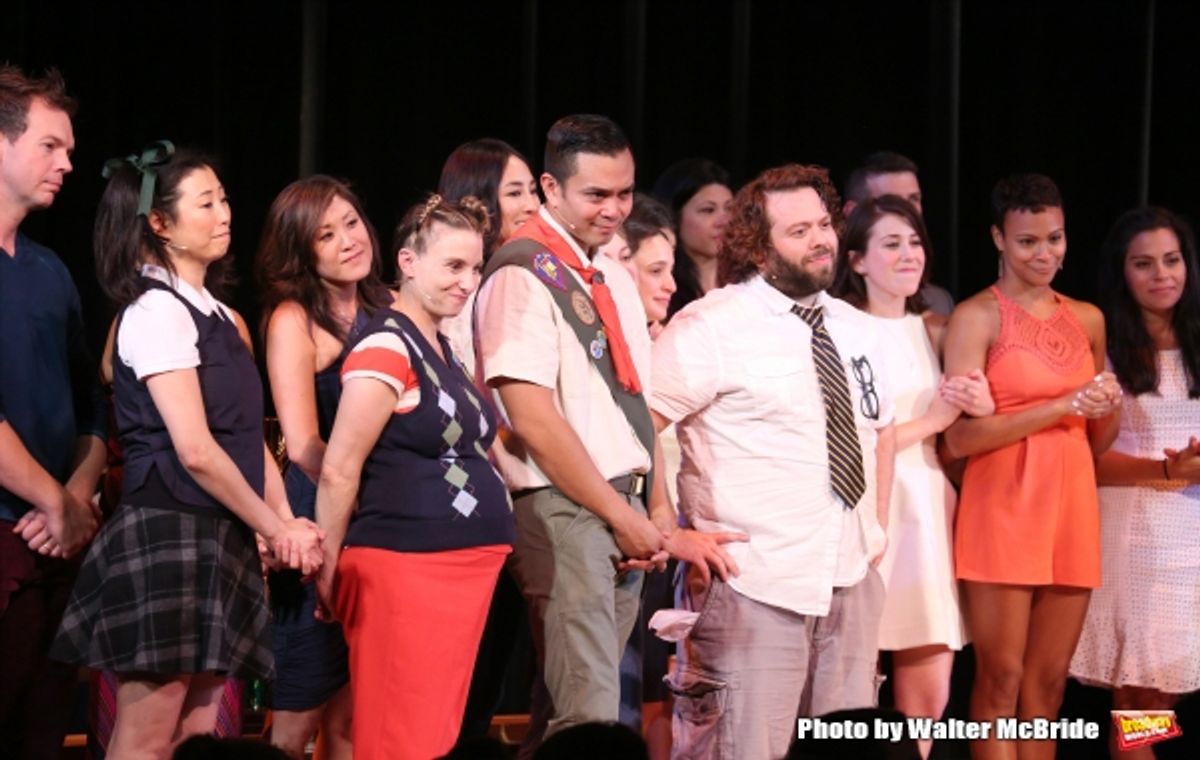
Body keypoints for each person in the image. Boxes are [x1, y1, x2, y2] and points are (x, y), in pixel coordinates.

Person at [49, 142, 324, 760]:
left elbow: (246, 440)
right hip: (170, 533)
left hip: (222, 534)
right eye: (206, 203)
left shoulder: (221, 316)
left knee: (202, 732)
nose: (224, 213)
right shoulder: (155, 310)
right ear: (160, 223)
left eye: (223, 199)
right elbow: (195, 449)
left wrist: (283, 523)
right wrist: (274, 528)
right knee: (149, 735)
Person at [475, 114, 737, 756]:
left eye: (624, 193)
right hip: (563, 506)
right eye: (596, 194)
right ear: (550, 188)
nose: (615, 209)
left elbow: (635, 402)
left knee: (569, 712)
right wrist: (621, 514)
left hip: (623, 503)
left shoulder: (613, 274)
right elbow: (532, 418)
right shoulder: (521, 272)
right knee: (587, 713)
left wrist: (656, 508)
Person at [651, 163, 895, 760]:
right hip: (752, 585)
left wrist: (876, 527)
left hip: (849, 580)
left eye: (823, 225)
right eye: (798, 232)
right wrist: (668, 531)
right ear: (759, 249)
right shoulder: (713, 324)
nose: (820, 240)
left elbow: (880, 429)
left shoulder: (859, 329)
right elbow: (639, 427)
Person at [314, 194, 515, 760]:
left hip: (461, 572)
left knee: (433, 737)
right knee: (400, 737)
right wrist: (327, 568)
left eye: (475, 268)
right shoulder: (386, 346)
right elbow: (339, 469)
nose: (468, 282)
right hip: (409, 570)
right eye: (453, 266)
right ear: (407, 261)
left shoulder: (443, 348)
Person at [942, 173, 1120, 760]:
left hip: (1071, 509)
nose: (1044, 254)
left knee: (1048, 687)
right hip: (1002, 507)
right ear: (998, 238)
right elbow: (959, 439)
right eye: (1027, 242)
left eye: (1055, 239)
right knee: (1001, 680)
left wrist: (1107, 405)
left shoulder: (1088, 319)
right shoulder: (976, 316)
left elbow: (1095, 440)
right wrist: (1062, 404)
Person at [833, 195, 993, 758]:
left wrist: (979, 402)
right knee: (849, 681)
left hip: (925, 506)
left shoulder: (935, 328)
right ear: (857, 260)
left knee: (927, 692)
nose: (908, 255)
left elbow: (967, 423)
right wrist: (931, 420)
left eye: (915, 242)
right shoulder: (838, 329)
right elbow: (844, 439)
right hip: (864, 504)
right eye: (891, 244)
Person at [256, 175, 389, 759]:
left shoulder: (390, 308)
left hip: (380, 522)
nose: (348, 241)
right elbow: (304, 441)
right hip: (318, 520)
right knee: (297, 715)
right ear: (301, 252)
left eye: (351, 223)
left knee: (355, 715)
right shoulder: (294, 319)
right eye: (325, 235)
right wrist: (350, 486)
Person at [0, 64, 106, 760]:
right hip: (12, 530)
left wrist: (76, 496)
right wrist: (55, 502)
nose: (67, 163)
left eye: (68, 149)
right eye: (50, 145)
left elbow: (92, 403)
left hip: (56, 541)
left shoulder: (49, 271)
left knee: (40, 730)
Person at [1069, 207, 1200, 760]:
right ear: (1121, 272)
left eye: (1171, 260)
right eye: (1144, 264)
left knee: (1160, 694)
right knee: (1139, 692)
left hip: (1191, 539)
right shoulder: (1105, 349)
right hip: (1134, 536)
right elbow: (1087, 459)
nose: (1161, 274)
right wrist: (1167, 471)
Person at [437, 138, 540, 379]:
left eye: (533, 191)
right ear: (478, 200)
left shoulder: (537, 269)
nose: (532, 205)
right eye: (514, 193)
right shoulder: (460, 292)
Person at [842, 151, 954, 316]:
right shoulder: (826, 312)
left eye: (913, 199)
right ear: (852, 212)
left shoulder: (939, 302)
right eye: (891, 202)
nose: (907, 212)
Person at [649, 158, 733, 318]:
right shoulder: (663, 290)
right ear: (675, 217)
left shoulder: (747, 282)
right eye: (708, 210)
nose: (724, 221)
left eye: (730, 208)